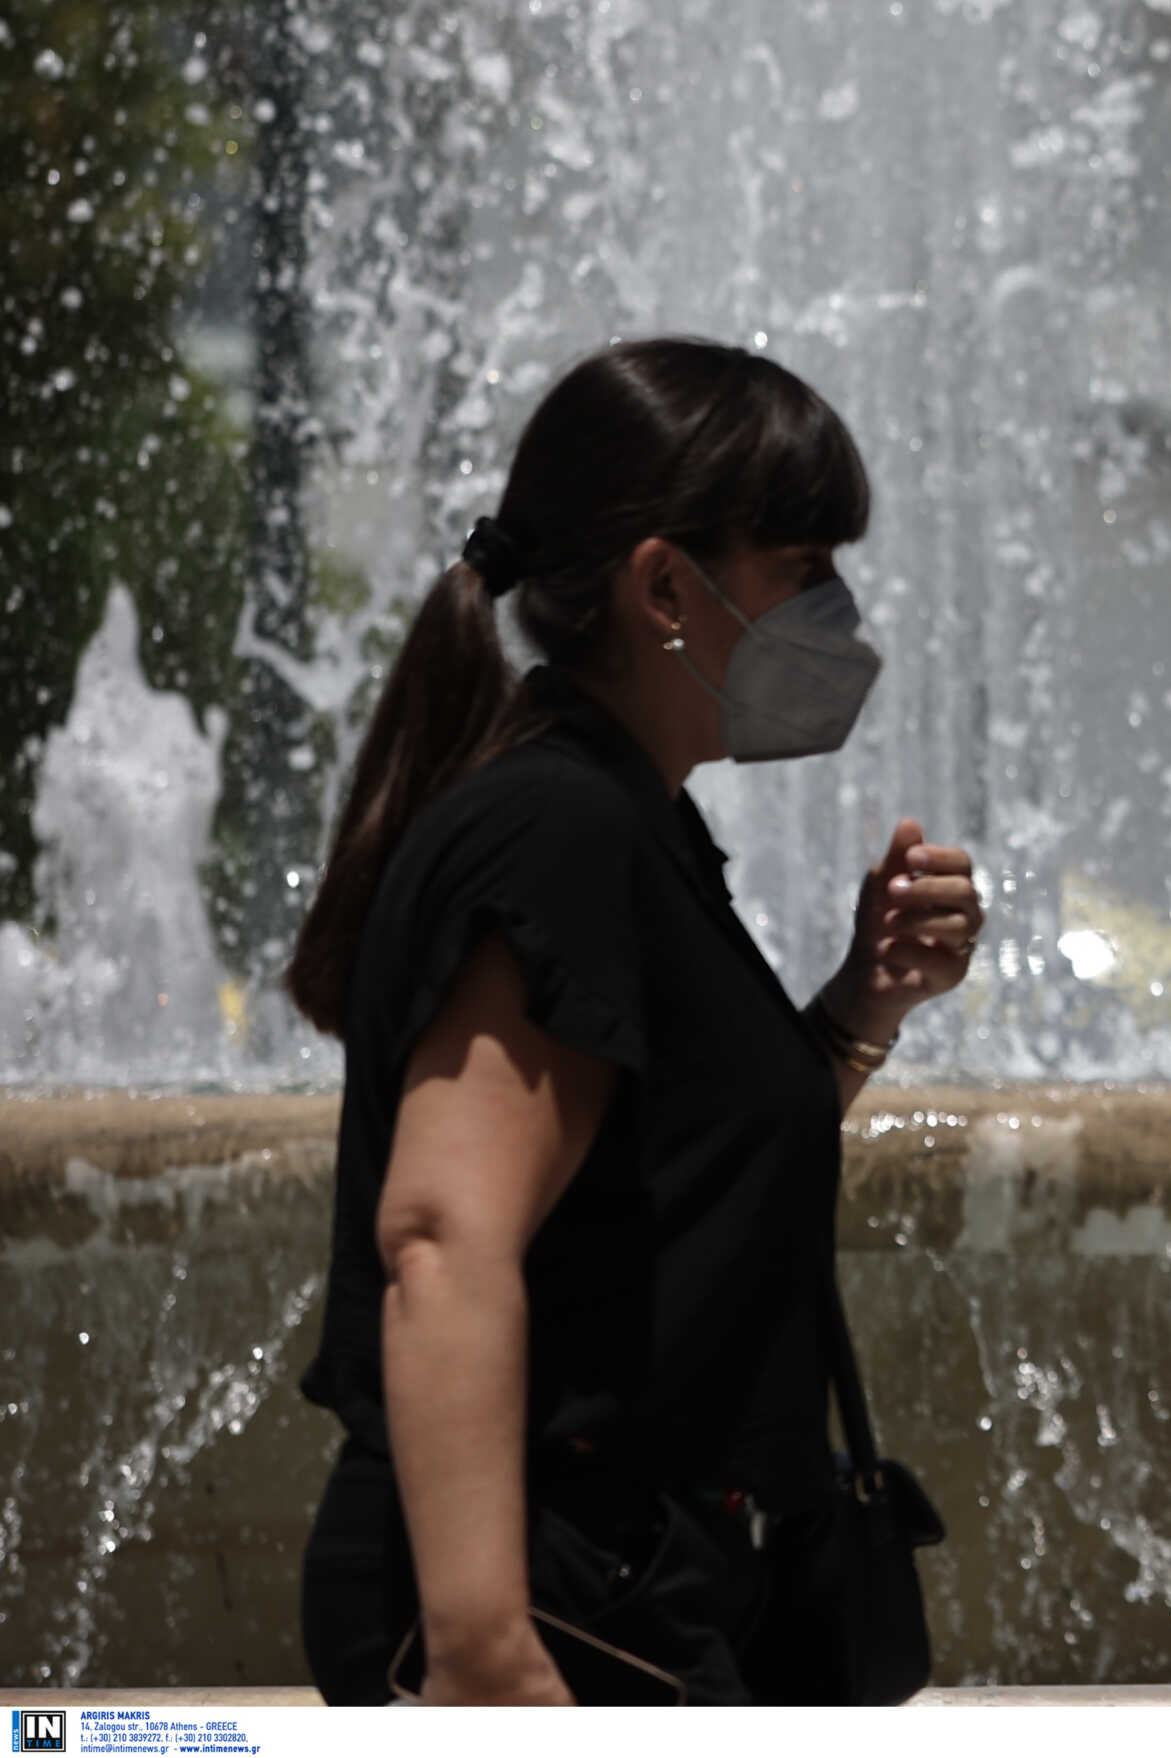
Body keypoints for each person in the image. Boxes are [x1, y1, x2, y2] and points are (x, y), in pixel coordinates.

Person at [287, 338, 982, 1704]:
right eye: (801, 570)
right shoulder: (558, 829)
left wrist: (861, 1004)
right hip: (558, 1614)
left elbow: (669, 1180)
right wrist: (488, 1654)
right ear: (667, 585)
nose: (838, 612)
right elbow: (443, 1235)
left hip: (626, 1589)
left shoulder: (626, 818)